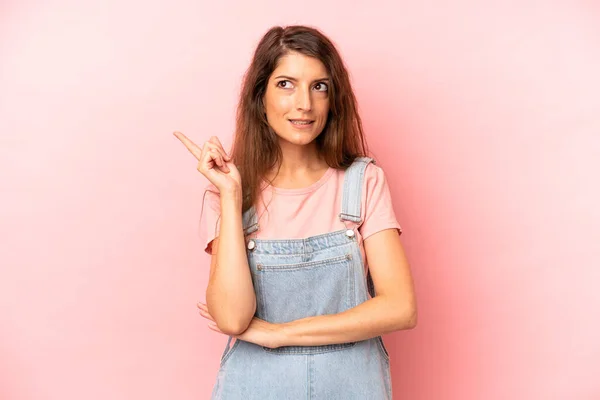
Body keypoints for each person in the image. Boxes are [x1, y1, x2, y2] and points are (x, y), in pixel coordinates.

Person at [174, 25, 417, 399]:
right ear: (260, 97)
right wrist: (231, 195)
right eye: (286, 84)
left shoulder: (363, 182)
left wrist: (279, 334)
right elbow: (234, 318)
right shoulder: (228, 194)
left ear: (333, 99)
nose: (304, 103)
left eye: (319, 86)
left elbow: (400, 307)